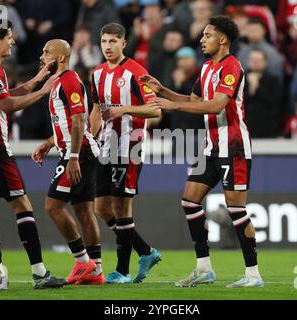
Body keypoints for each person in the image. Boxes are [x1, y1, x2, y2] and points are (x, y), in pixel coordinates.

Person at [141, 15, 264, 288]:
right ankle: (204, 269)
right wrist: (164, 91)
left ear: (222, 39)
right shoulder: (207, 67)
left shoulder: (232, 67)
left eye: (207, 35)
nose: (201, 39)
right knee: (189, 201)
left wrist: (173, 107)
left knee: (236, 209)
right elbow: (194, 100)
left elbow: (216, 106)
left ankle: (253, 274)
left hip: (234, 146)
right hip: (209, 146)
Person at [0, 18, 66, 289]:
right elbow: (9, 104)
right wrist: (44, 91)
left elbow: (7, 94)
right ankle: (39, 273)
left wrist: (37, 79)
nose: (14, 41)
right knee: (22, 206)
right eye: (10, 37)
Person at [90, 23, 162, 284]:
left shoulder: (136, 72)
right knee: (101, 207)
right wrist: (89, 138)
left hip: (129, 146)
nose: (107, 46)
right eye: (104, 41)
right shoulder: (96, 74)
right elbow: (97, 110)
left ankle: (122, 270)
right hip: (105, 147)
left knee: (121, 207)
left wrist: (124, 110)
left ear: (123, 44)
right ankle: (145, 251)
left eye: (113, 41)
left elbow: (155, 110)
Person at [32, 39, 104, 285]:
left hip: (79, 153)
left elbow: (78, 120)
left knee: (53, 206)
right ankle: (96, 271)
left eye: (46, 52)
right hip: (81, 151)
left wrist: (72, 157)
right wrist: (48, 143)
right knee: (84, 210)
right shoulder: (59, 83)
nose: (42, 56)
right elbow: (65, 123)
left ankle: (83, 262)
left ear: (61, 57)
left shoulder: (69, 81)